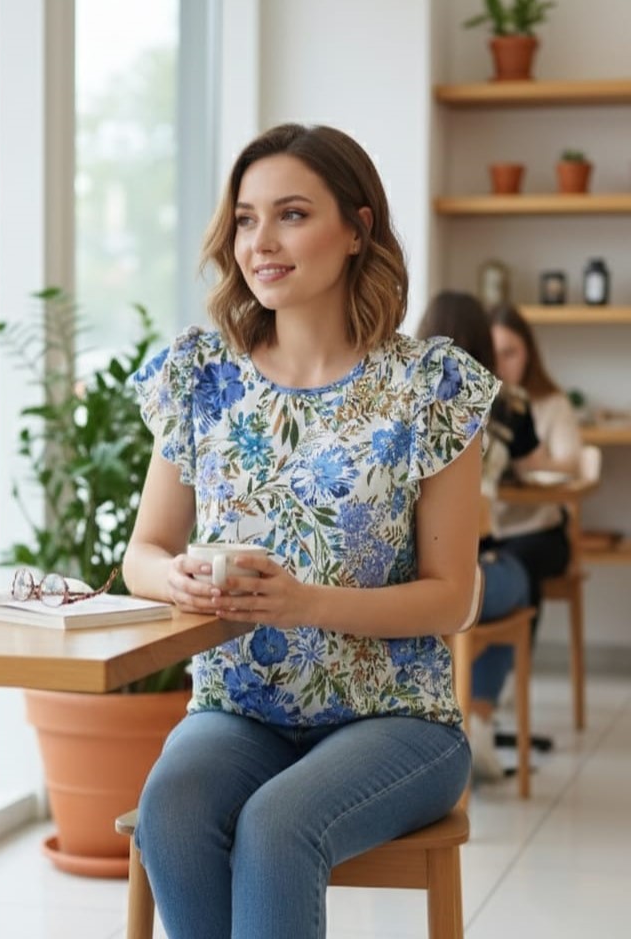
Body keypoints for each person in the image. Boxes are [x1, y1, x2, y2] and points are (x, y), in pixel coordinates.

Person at [122, 124, 499, 939]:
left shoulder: (429, 386)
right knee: (172, 808)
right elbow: (142, 554)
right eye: (247, 218)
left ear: (357, 229)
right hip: (239, 710)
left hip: (396, 720)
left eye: (291, 214)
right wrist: (175, 576)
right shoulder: (201, 377)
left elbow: (452, 597)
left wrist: (304, 602)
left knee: (278, 827)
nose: (261, 241)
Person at [416, 290, 534, 780]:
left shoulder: (405, 395)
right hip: (469, 575)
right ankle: (480, 717)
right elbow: (531, 465)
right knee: (520, 581)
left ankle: (469, 719)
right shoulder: (503, 400)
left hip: (406, 580)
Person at [489, 303, 583, 616]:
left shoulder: (552, 404)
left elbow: (571, 465)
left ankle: (516, 661)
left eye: (510, 352)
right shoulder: (477, 405)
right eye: (494, 353)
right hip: (488, 528)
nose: (501, 363)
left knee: (517, 565)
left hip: (539, 530)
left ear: (529, 352)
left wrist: (532, 461)